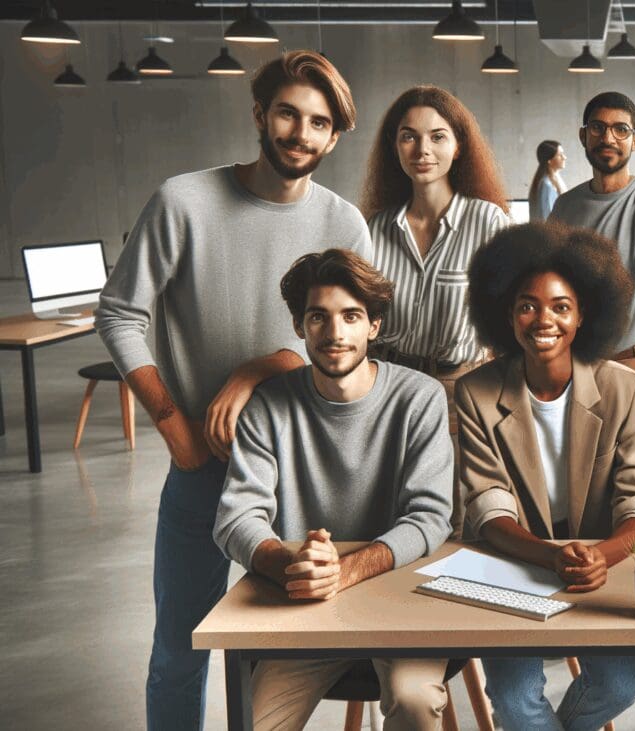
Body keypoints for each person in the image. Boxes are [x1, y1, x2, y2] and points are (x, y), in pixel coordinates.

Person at [94, 50, 370, 730]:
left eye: (319, 123)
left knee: (267, 654)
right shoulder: (183, 201)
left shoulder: (344, 224)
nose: (300, 134)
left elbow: (354, 346)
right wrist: (170, 420)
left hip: (301, 475)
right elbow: (120, 312)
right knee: (179, 650)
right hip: (202, 470)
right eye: (287, 114)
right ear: (260, 114)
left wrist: (263, 365)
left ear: (334, 136)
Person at [213, 249, 454, 731]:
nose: (335, 333)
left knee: (414, 701)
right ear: (300, 327)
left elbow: (430, 516)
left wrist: (343, 571)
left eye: (351, 316)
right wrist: (294, 566)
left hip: (402, 597)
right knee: (254, 723)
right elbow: (236, 518)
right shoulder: (270, 406)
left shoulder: (420, 397)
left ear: (375, 326)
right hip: (304, 602)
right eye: (318, 317)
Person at [457, 222, 635, 730]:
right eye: (527, 305)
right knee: (515, 700)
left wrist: (601, 555)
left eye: (560, 306)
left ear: (583, 314)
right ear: (506, 313)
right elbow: (487, 504)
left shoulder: (624, 389)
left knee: (619, 686)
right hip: (515, 563)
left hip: (601, 568)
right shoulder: (475, 392)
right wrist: (551, 554)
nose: (543, 319)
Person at [360, 84, 510, 534]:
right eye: (409, 136)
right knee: (389, 519)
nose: (422, 149)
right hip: (385, 390)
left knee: (454, 525)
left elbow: (510, 324)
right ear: (394, 146)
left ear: (459, 145)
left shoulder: (488, 223)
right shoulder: (372, 228)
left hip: (458, 394)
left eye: (438, 136)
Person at [550, 91, 635, 381]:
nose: (608, 138)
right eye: (598, 127)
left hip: (633, 364)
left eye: (621, 129)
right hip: (572, 366)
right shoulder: (565, 205)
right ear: (584, 136)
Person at [529, 139, 567, 221]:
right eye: (560, 155)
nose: (564, 157)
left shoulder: (555, 181)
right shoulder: (547, 185)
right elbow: (547, 218)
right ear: (549, 160)